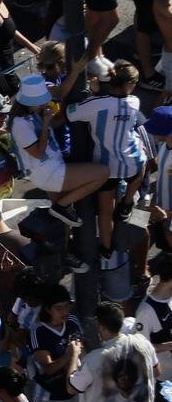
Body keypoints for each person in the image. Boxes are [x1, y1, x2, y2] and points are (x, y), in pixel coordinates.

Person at [64, 60, 146, 260]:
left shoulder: (96, 104)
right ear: (128, 85)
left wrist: (92, 92)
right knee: (141, 165)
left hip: (106, 167)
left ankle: (106, 248)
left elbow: (70, 113)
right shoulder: (135, 102)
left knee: (105, 212)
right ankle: (126, 204)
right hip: (131, 162)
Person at [6, 74, 107, 225]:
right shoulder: (21, 124)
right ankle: (61, 206)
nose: (43, 104)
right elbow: (39, 153)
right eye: (39, 102)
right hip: (48, 172)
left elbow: (58, 121)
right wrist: (46, 123)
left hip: (49, 169)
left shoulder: (33, 114)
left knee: (62, 223)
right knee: (103, 173)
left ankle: (62, 217)